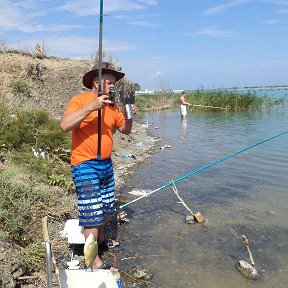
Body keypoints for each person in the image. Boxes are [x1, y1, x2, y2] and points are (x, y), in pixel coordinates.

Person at [60, 62, 135, 271]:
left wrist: (130, 117)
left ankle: (99, 242)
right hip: (85, 164)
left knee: (105, 208)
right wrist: (93, 106)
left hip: (106, 165)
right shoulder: (80, 100)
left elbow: (125, 130)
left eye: (113, 83)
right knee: (92, 212)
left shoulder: (112, 107)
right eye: (108, 82)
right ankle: (93, 262)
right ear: (96, 82)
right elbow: (65, 125)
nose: (112, 86)